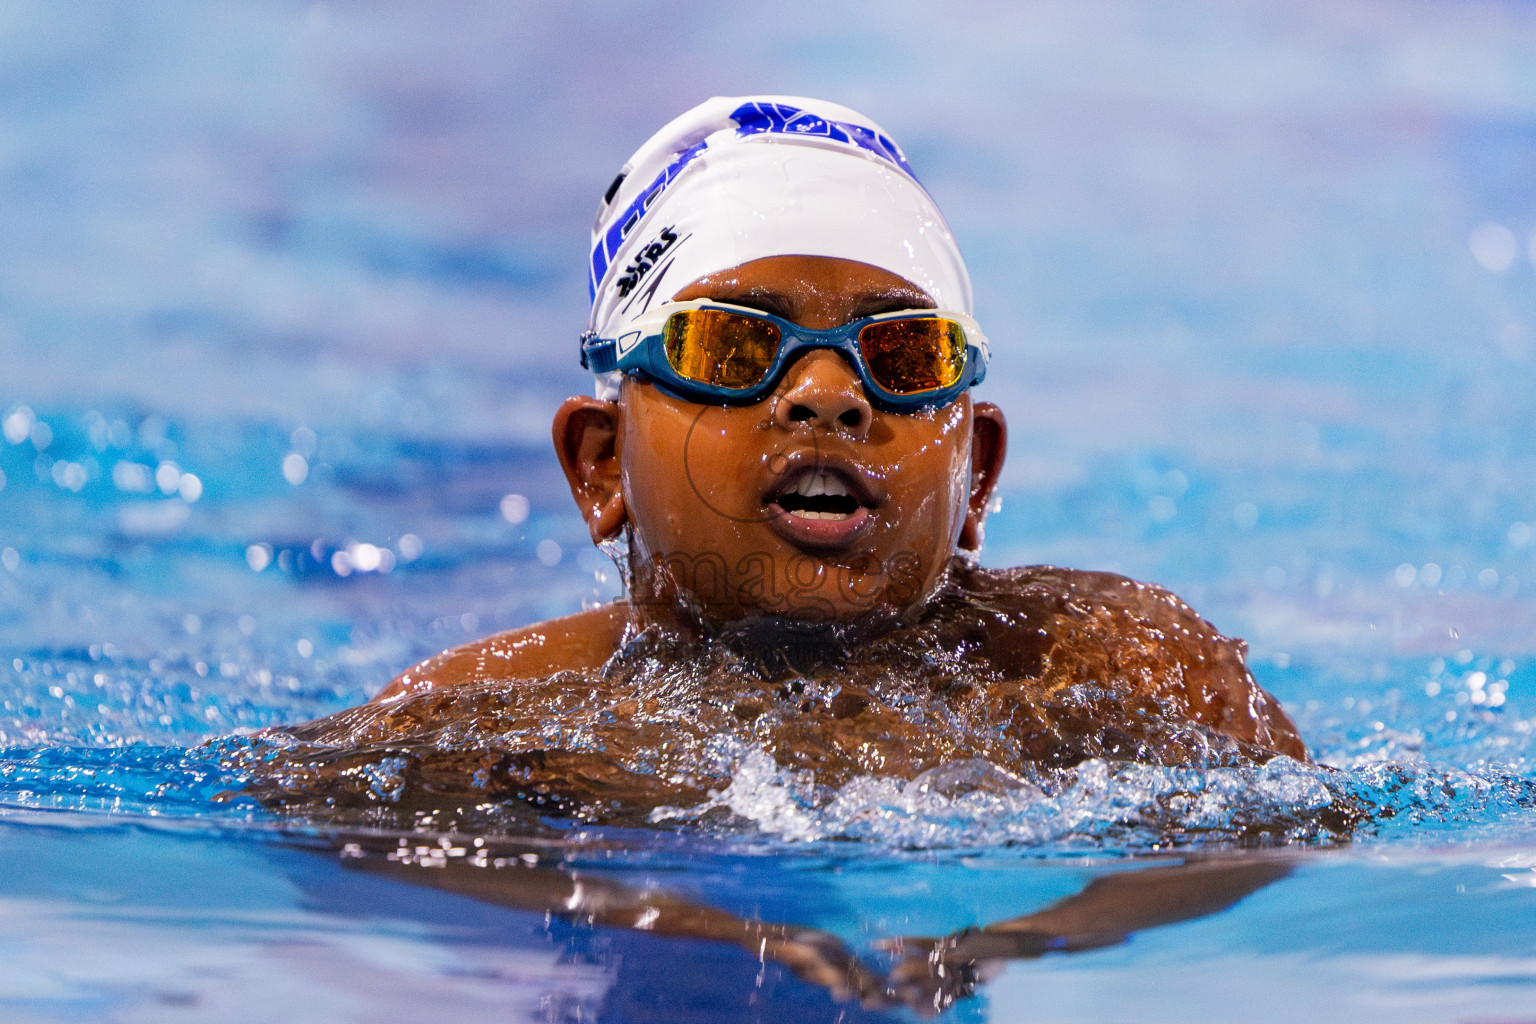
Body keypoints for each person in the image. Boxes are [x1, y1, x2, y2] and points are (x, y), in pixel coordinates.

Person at [275, 95, 1305, 822]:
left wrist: (1010, 932)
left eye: (904, 354)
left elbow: (1301, 835)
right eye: (733, 346)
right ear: (600, 465)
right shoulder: (481, 722)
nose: (829, 393)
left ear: (977, 472)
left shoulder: (1116, 666)